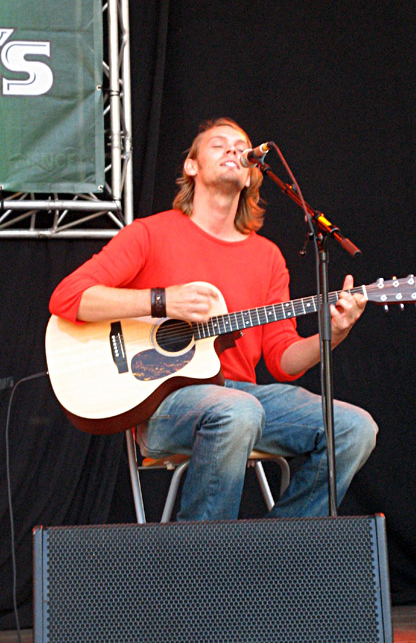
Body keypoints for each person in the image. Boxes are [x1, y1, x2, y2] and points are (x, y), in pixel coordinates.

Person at [50, 117, 377, 521]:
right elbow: (68, 297)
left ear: (252, 176)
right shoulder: (150, 234)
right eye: (218, 144)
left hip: (244, 397)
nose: (232, 150)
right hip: (163, 401)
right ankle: (200, 568)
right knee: (238, 411)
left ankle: (275, 552)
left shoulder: (268, 256)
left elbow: (282, 360)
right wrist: (161, 301)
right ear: (192, 166)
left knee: (355, 428)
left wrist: (332, 335)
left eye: (242, 147)